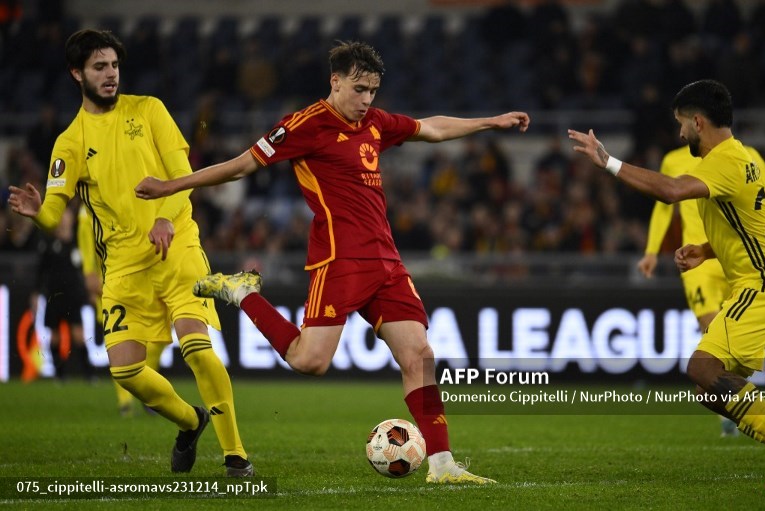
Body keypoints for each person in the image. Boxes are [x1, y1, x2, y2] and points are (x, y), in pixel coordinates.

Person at [135, 40, 530, 485]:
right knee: (310, 361)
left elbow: (430, 128)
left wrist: (489, 122)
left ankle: (443, 467)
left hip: (386, 261)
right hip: (338, 260)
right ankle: (242, 292)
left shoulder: (376, 123)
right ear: (335, 81)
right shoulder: (304, 125)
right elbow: (242, 166)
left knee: (419, 355)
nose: (366, 101)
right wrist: (172, 186)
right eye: (359, 89)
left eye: (373, 92)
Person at [8, 29, 252, 476]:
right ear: (76, 73)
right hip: (122, 265)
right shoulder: (70, 142)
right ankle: (190, 420)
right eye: (100, 67)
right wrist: (37, 211)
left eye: (114, 66)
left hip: (177, 245)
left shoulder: (149, 109)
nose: (110, 75)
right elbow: (53, 215)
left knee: (196, 348)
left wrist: (163, 217)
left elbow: (185, 178)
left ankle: (235, 454)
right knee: (125, 372)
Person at [569, 79, 765, 446]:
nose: (679, 133)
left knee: (702, 367)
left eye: (680, 123)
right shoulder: (744, 158)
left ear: (697, 122)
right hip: (751, 282)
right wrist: (708, 250)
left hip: (758, 288)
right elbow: (754, 223)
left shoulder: (724, 160)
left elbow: (671, 192)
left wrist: (607, 161)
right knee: (708, 388)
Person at [636, 143, 765, 437]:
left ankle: (749, 409)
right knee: (710, 351)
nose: (682, 131)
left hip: (743, 261)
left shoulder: (747, 159)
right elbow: (663, 205)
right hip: (700, 264)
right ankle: (739, 412)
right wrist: (651, 250)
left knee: (711, 364)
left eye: (683, 122)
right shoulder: (674, 159)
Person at [76, 203, 164, 417]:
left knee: (157, 339)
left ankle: (146, 391)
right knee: (119, 338)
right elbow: (87, 244)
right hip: (111, 279)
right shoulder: (87, 211)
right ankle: (125, 400)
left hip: (145, 274)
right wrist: (90, 272)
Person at [31, 204, 94, 382]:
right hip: (54, 296)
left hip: (73, 296)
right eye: (61, 216)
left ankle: (89, 376)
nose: (64, 220)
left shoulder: (78, 243)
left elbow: (86, 269)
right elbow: (40, 272)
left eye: (66, 216)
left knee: (79, 336)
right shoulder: (48, 244)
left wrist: (88, 291)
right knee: (55, 338)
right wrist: (35, 293)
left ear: (71, 219)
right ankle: (60, 376)